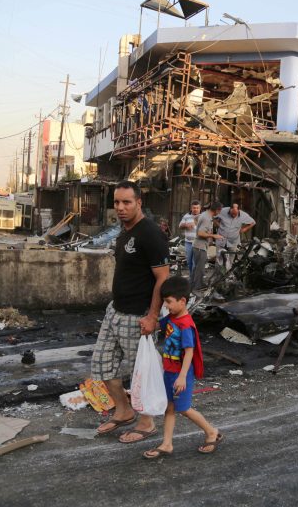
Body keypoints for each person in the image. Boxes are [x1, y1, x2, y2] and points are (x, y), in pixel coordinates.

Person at [91, 180, 170, 444]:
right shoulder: (125, 231)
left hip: (138, 315)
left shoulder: (150, 233)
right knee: (102, 364)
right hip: (116, 311)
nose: (121, 208)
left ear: (139, 202)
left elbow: (163, 279)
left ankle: (146, 423)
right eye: (117, 202)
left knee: (142, 371)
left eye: (127, 202)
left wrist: (152, 316)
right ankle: (124, 411)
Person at [142, 276, 223, 459]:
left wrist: (182, 376)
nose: (166, 306)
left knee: (184, 408)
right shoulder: (171, 318)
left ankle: (211, 432)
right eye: (164, 302)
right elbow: (157, 327)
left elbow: (189, 352)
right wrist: (145, 325)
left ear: (182, 301)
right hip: (169, 372)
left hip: (181, 374)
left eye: (169, 302)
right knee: (169, 408)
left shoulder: (186, 325)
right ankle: (167, 444)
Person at [190, 201, 223, 293]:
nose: (219, 213)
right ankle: (197, 287)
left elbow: (196, 219)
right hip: (200, 246)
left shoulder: (205, 214)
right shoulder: (207, 218)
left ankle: (193, 285)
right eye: (219, 211)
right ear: (217, 210)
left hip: (198, 246)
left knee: (197, 267)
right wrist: (213, 236)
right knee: (200, 268)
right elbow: (200, 233)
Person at [216, 203, 256, 271]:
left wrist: (244, 229)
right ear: (230, 210)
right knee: (219, 260)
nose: (234, 215)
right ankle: (217, 276)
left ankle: (227, 276)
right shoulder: (223, 211)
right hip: (221, 240)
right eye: (232, 214)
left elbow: (253, 222)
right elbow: (212, 216)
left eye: (235, 214)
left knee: (230, 260)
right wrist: (217, 224)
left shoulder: (243, 215)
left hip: (233, 241)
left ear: (239, 210)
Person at [179, 200, 201, 274]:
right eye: (194, 208)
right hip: (188, 242)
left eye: (197, 208)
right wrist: (186, 225)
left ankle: (194, 280)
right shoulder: (186, 216)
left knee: (195, 262)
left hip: (198, 242)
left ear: (200, 208)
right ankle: (192, 277)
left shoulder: (202, 217)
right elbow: (180, 226)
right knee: (189, 262)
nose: (195, 209)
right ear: (191, 208)